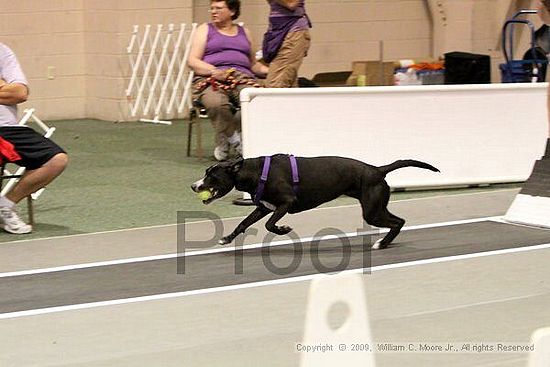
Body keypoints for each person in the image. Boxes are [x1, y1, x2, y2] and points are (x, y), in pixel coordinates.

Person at [0, 42, 68, 234]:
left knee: (57, 160)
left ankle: (5, 205)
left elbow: (20, 93)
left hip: (8, 129)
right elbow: (10, 92)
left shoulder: (2, 52)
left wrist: (11, 90)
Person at [188, 0, 268, 161]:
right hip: (211, 77)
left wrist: (273, 73)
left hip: (242, 77)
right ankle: (235, 141)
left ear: (232, 11)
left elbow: (253, 64)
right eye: (211, 8)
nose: (213, 11)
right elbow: (193, 61)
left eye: (218, 8)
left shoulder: (244, 32)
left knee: (258, 100)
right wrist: (213, 71)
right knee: (216, 103)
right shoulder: (205, 30)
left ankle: (226, 133)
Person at [263, 0, 312, 88]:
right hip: (280, 30)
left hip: (292, 31)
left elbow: (291, 3)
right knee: (288, 84)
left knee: (275, 86)